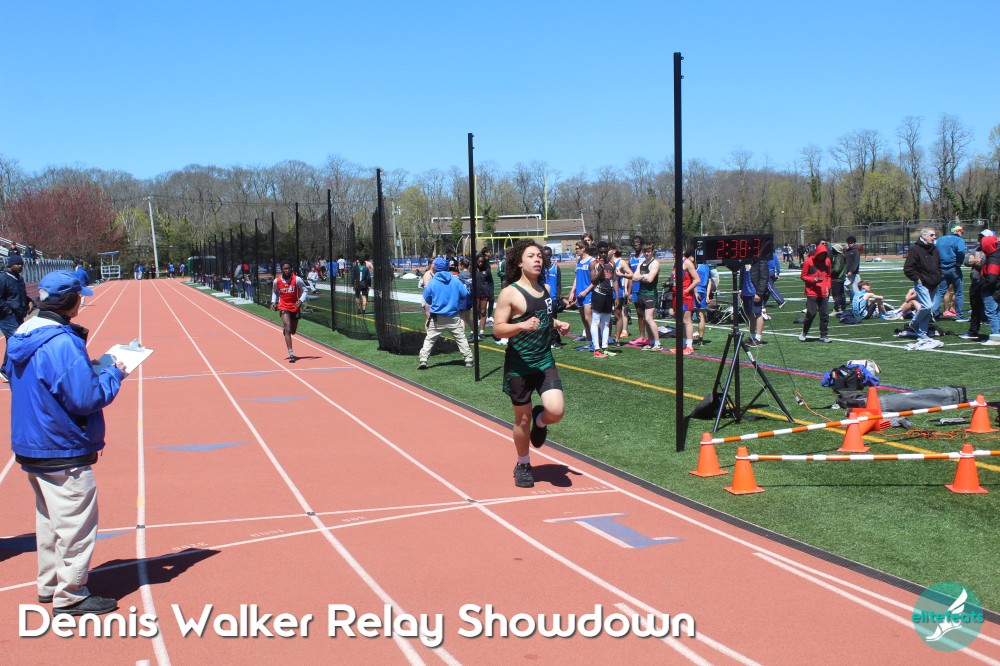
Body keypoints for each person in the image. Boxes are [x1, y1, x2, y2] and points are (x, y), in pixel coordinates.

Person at [7, 270, 126, 616]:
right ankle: (71, 594)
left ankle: (50, 585)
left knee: (49, 520)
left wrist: (86, 370)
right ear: (70, 301)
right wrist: (114, 373)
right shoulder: (62, 342)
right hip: (61, 443)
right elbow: (85, 399)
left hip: (32, 441)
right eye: (79, 298)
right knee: (75, 522)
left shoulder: (21, 334)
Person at [492, 241, 571, 488]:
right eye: (531, 256)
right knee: (521, 420)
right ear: (519, 262)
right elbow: (498, 329)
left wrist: (557, 324)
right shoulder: (510, 293)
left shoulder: (545, 288)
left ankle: (541, 420)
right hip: (519, 366)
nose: (537, 260)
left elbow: (544, 317)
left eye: (539, 256)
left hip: (544, 361)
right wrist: (521, 326)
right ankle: (523, 464)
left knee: (556, 411)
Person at [418, 257, 473, 369]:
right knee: (461, 338)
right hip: (453, 315)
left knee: (430, 339)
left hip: (437, 317)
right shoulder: (455, 280)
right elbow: (464, 294)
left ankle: (423, 359)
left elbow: (427, 298)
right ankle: (468, 359)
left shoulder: (433, 282)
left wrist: (434, 302)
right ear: (447, 267)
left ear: (435, 268)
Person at [902, 227, 942, 350]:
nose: (934, 237)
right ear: (924, 236)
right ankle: (914, 323)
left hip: (934, 283)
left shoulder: (935, 249)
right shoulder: (916, 249)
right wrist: (918, 279)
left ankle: (922, 334)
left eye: (934, 235)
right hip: (922, 283)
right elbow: (908, 268)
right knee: (927, 306)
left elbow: (938, 265)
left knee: (929, 310)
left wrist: (939, 276)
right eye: (932, 235)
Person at [0, 254, 31, 381]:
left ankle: (8, 368)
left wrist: (29, 301)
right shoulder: (3, 278)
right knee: (16, 340)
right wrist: (8, 311)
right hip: (7, 317)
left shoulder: (19, 278)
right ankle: (5, 369)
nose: (20, 266)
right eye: (17, 264)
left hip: (18, 314)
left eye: (21, 264)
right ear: (10, 265)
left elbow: (22, 294)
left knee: (14, 341)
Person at [583, 242, 615, 357]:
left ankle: (605, 347)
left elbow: (614, 279)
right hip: (598, 294)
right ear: (598, 251)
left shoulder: (611, 263)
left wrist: (616, 296)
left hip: (609, 295)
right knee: (596, 322)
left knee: (606, 323)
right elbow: (593, 280)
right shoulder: (594, 264)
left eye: (605, 252)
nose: (603, 254)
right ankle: (596, 348)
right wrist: (601, 270)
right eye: (601, 252)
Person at [961, 229, 994, 341]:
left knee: (992, 309)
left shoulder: (992, 251)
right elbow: (966, 261)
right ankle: (973, 331)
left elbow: (983, 262)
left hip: (988, 283)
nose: (980, 239)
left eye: (983, 237)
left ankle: (995, 332)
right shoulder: (976, 249)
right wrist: (976, 261)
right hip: (976, 283)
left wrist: (975, 261)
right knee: (975, 307)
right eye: (980, 237)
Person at [270, 262, 307, 362]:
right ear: (281, 270)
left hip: (295, 306)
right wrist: (273, 302)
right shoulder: (277, 281)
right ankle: (291, 354)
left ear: (291, 269)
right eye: (284, 269)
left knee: (293, 331)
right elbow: (274, 291)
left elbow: (305, 290)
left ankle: (287, 330)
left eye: (288, 268)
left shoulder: (297, 279)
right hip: (283, 306)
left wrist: (301, 300)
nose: (286, 270)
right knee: (288, 327)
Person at [798, 242, 833, 343]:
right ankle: (804, 332)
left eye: (823, 254)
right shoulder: (808, 261)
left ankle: (824, 335)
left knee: (825, 314)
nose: (822, 256)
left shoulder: (827, 261)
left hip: (823, 292)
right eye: (820, 254)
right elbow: (803, 276)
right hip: (812, 292)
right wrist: (813, 280)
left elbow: (829, 275)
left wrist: (828, 286)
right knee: (811, 313)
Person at [668, 249, 701, 355]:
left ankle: (689, 346)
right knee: (680, 321)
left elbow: (697, 279)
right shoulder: (676, 262)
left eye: (676, 251)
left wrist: (686, 290)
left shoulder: (687, 262)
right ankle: (682, 345)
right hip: (676, 295)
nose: (675, 253)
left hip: (685, 296)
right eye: (673, 252)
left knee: (687, 320)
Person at [934, 224, 967, 321]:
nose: (962, 233)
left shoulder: (940, 239)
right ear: (956, 231)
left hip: (942, 268)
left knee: (941, 292)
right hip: (954, 268)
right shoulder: (959, 240)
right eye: (961, 231)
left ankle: (932, 311)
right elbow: (961, 251)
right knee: (959, 293)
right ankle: (960, 315)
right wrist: (959, 261)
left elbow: (934, 251)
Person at [634, 243, 662, 351]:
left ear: (652, 252)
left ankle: (657, 343)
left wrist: (641, 277)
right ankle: (651, 342)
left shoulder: (655, 263)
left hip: (650, 294)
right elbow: (634, 277)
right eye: (645, 251)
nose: (647, 253)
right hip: (642, 293)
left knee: (649, 318)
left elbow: (650, 279)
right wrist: (644, 276)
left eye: (649, 251)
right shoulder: (641, 263)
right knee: (645, 319)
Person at [567, 241, 594, 344]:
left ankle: (596, 340)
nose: (576, 250)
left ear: (583, 249)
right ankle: (589, 339)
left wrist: (586, 291)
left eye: (577, 248)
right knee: (583, 319)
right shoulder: (579, 261)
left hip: (588, 294)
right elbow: (577, 277)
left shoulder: (592, 261)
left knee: (588, 318)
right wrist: (572, 292)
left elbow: (594, 281)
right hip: (579, 294)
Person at [741, 256, 770, 346]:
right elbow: (742, 275)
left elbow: (764, 277)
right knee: (749, 314)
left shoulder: (761, 259)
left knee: (758, 313)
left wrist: (759, 292)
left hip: (755, 291)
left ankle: (758, 338)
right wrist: (740, 289)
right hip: (746, 291)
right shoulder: (745, 259)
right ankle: (752, 336)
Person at [977, 233, 1000, 346]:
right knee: (997, 312)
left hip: (992, 291)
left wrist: (982, 287)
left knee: (991, 313)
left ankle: (996, 336)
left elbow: (992, 278)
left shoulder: (993, 259)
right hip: (996, 289)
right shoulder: (995, 256)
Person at [542, 246, 563, 348]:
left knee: (553, 319)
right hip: (542, 298)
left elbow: (558, 284)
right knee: (543, 320)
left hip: (552, 298)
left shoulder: (556, 268)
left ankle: (556, 340)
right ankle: (546, 340)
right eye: (544, 255)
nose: (547, 257)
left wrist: (558, 297)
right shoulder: (539, 268)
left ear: (551, 255)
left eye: (548, 255)